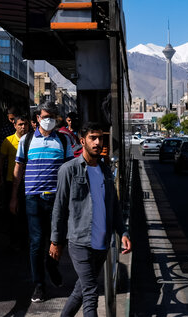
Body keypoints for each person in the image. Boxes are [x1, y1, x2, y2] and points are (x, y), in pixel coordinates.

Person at [50, 121, 131, 317]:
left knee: (81, 289)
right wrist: (55, 241)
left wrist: (123, 232)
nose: (97, 142)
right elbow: (59, 208)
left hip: (102, 244)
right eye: (92, 138)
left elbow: (114, 206)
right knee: (91, 293)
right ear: (82, 141)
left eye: (100, 138)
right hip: (80, 242)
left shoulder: (105, 171)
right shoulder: (69, 170)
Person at [10, 102, 73, 303]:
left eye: (53, 116)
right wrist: (13, 197)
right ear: (37, 118)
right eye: (46, 116)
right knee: (36, 242)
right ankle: (39, 285)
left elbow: (69, 170)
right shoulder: (26, 141)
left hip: (56, 199)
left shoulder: (64, 141)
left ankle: (51, 266)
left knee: (57, 239)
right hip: (33, 198)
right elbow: (18, 170)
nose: (49, 119)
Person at [0, 114, 29, 246]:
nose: (23, 127)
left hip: (28, 182)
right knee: (12, 212)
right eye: (20, 124)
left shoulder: (32, 141)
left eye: (25, 124)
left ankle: (25, 240)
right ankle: (14, 240)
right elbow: (0, 159)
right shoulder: (8, 141)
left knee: (26, 213)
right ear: (14, 125)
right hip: (11, 181)